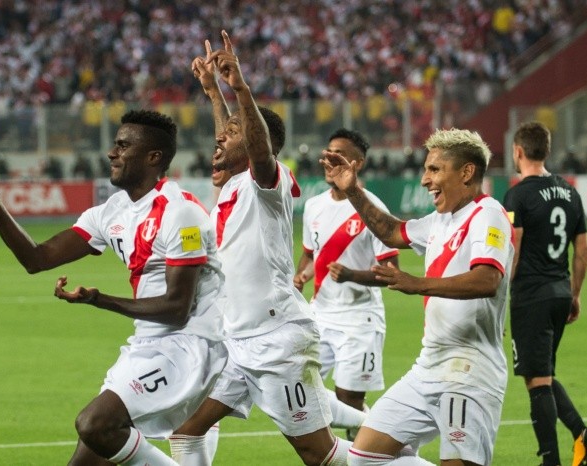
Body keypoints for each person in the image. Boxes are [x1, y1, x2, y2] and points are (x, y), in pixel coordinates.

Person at [0, 109, 228, 466]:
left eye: (122, 145)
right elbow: (36, 259)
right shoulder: (111, 212)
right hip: (148, 343)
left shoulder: (182, 214)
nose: (111, 153)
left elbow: (176, 307)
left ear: (153, 157)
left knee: (95, 425)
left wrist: (98, 299)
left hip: (192, 343)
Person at [168, 31, 353, 466]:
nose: (220, 139)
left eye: (234, 132)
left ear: (256, 144)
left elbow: (254, 148)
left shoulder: (269, 183)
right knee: (185, 436)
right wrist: (214, 92)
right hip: (241, 341)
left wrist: (239, 88)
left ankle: (395, 458)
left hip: (277, 343)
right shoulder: (233, 185)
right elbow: (229, 138)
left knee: (320, 456)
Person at [322, 127, 514, 466]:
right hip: (428, 366)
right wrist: (351, 190)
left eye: (435, 169)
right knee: (364, 457)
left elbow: (487, 279)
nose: (425, 180)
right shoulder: (439, 221)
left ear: (467, 172)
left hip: (470, 367)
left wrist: (418, 283)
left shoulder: (488, 213)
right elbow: (391, 230)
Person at [503, 121, 587, 466]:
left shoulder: (518, 194)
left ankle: (550, 461)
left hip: (532, 295)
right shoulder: (570, 191)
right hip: (559, 293)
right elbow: (583, 249)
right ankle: (581, 434)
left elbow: (512, 247)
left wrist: (499, 296)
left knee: (537, 381)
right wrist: (574, 294)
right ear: (546, 150)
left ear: (518, 151)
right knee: (540, 373)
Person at [294, 128, 399, 440]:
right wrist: (301, 276)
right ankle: (366, 440)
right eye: (328, 154)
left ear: (358, 164)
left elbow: (392, 270)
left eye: (338, 155)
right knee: (300, 390)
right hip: (320, 316)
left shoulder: (373, 209)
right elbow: (311, 254)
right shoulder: (314, 205)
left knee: (348, 400)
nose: (329, 160)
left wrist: (353, 275)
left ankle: (378, 445)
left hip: (359, 320)